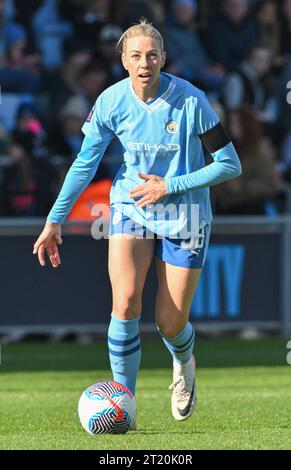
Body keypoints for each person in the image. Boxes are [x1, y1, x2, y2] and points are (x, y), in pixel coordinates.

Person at [33, 18, 241, 426]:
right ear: (124, 61)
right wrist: (54, 219)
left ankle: (184, 361)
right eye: (135, 56)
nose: (144, 63)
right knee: (125, 302)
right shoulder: (110, 101)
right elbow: (84, 163)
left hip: (186, 214)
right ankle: (122, 405)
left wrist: (171, 185)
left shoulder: (191, 100)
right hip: (132, 208)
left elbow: (230, 165)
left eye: (151, 55)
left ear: (163, 59)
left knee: (169, 323)